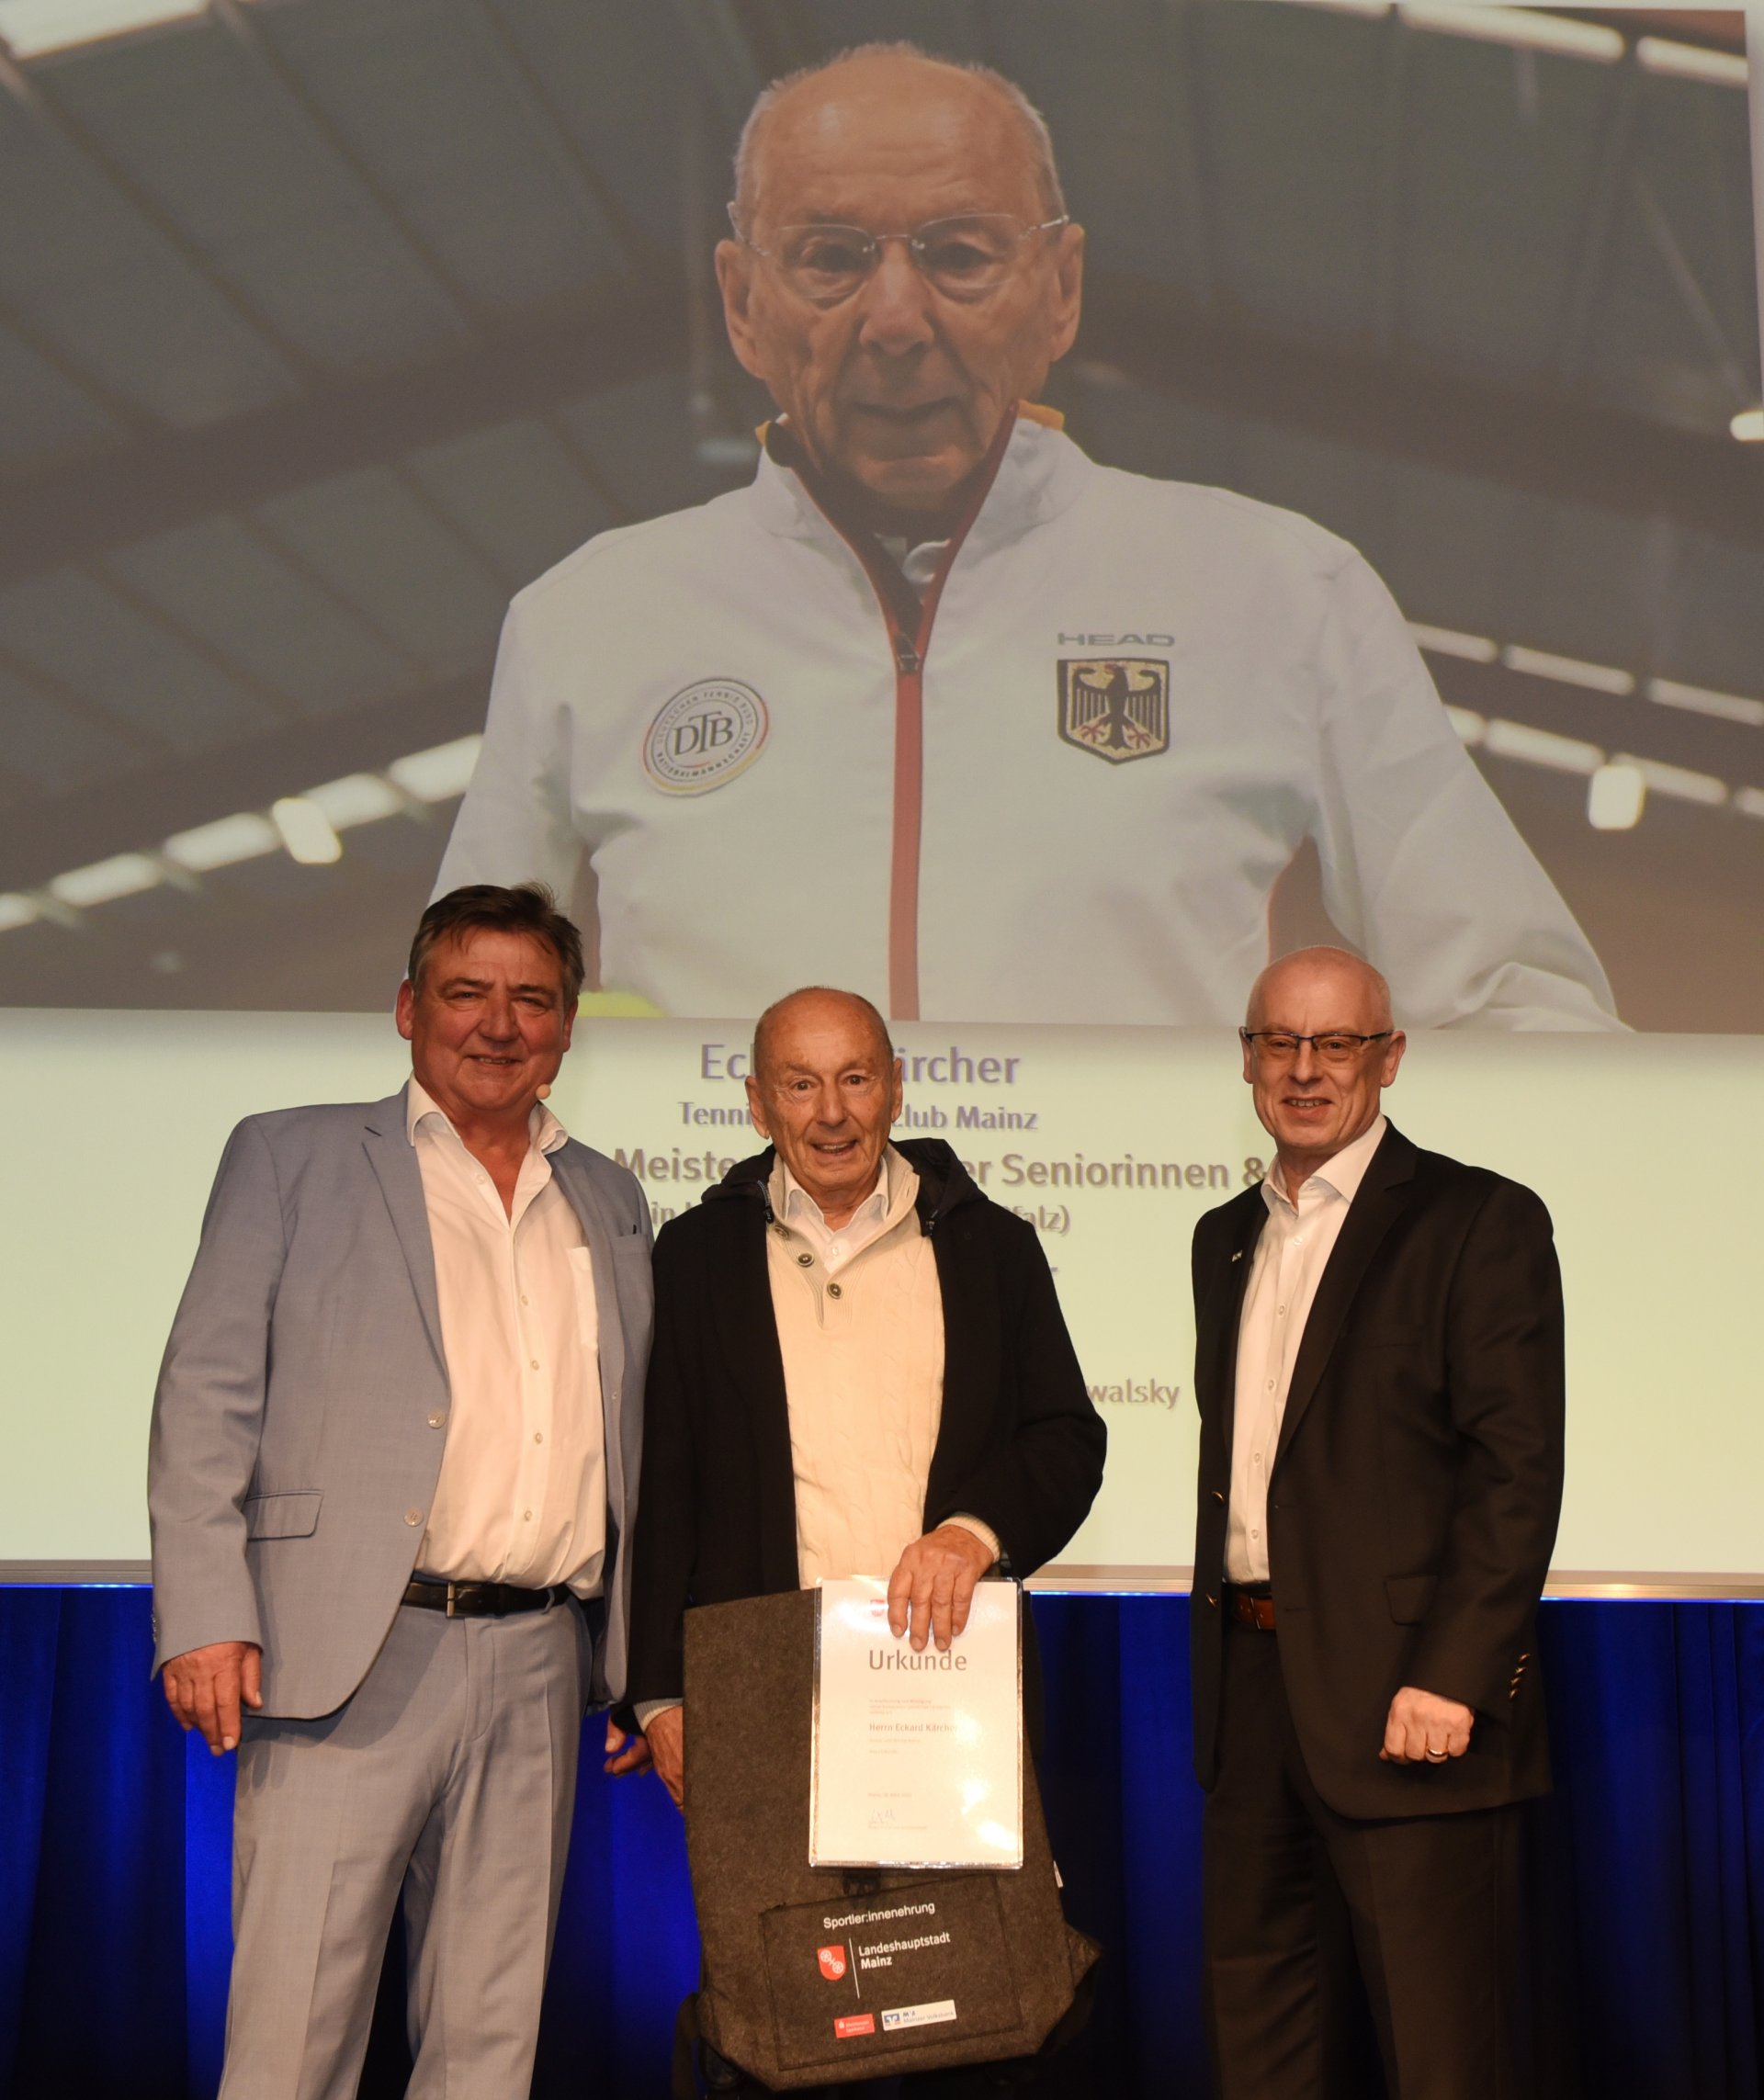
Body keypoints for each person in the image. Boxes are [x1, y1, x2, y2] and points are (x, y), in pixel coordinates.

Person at [435, 40, 1617, 1034]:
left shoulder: (1277, 594)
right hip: (725, 1309)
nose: (896, 319)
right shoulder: (588, 622)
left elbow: (1522, 1004)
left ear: (1060, 286)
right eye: (832, 259)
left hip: (1141, 1307)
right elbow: (455, 1046)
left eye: (958, 254)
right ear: (743, 302)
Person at [147, 883, 653, 2099]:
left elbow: (630, 1438)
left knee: (490, 2044)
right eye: (466, 991)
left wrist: (641, 1664)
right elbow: (204, 1393)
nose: (497, 1023)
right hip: (346, 1650)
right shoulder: (292, 1153)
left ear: (569, 1027)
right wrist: (209, 1610)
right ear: (406, 1009)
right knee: (292, 2037)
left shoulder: (613, 1196)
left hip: (539, 1659)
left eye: (530, 998)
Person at [1187, 944, 1566, 2097]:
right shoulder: (1223, 1236)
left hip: (1412, 1704)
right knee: (1265, 2050)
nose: (1304, 1070)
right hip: (1251, 1695)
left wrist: (1453, 1677)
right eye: (1278, 1043)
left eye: (1335, 1043)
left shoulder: (1477, 1220)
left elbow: (1515, 1471)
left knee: (1443, 2055)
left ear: (1387, 1057)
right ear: (1248, 1058)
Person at [625, 981, 1104, 1857]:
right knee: (772, 1984)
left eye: (855, 1079)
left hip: (944, 1677)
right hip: (756, 1687)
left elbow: (1067, 1438)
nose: (832, 1114)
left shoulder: (990, 1247)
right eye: (801, 1084)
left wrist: (972, 1535)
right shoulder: (696, 1256)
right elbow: (664, 1478)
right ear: (759, 1105)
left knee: (955, 1980)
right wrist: (657, 1695)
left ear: (896, 1086)